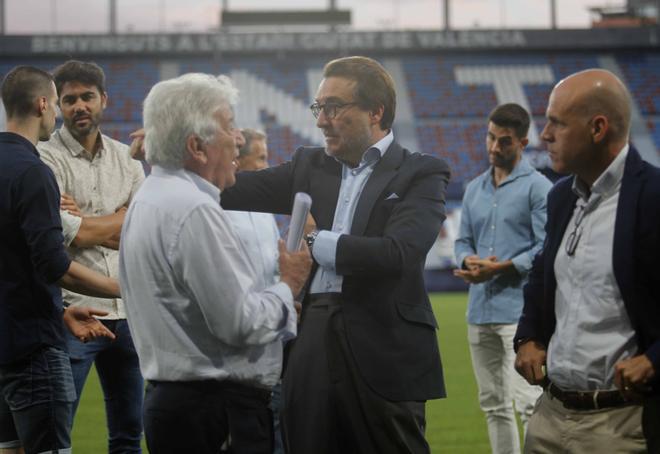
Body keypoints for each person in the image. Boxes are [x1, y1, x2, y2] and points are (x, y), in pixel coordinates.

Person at [221, 55, 451, 454]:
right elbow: (232, 189)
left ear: (375, 111)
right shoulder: (308, 164)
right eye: (318, 108)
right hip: (312, 340)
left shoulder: (422, 172)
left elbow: (399, 253)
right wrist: (171, 157)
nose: (321, 120)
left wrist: (316, 244)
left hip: (385, 345)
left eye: (333, 108)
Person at [118, 73, 312, 454]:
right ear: (197, 146)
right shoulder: (193, 209)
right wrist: (287, 286)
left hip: (178, 404)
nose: (239, 138)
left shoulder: (151, 196)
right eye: (229, 127)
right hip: (216, 412)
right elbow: (239, 323)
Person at [514, 69, 660, 453]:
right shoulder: (562, 197)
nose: (544, 135)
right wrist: (528, 335)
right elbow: (543, 276)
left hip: (619, 424)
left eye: (557, 124)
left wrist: (654, 360)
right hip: (550, 414)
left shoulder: (653, 198)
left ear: (598, 128)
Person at [0, 66, 119, 454]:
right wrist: (122, 288)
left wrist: (60, 312)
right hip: (32, 348)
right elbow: (54, 265)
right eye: (57, 102)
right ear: (43, 104)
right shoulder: (34, 171)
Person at [37, 60, 145, 453]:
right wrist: (116, 219)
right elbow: (58, 233)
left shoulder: (128, 159)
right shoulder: (45, 158)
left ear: (104, 100)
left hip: (128, 315)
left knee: (130, 433)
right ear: (56, 105)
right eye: (70, 99)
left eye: (87, 97)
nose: (79, 105)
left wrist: (82, 223)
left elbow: (139, 233)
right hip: (73, 312)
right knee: (56, 431)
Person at [454, 104, 549, 453]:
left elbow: (546, 247)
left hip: (520, 314)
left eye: (504, 141)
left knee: (529, 405)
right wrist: (468, 259)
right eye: (491, 138)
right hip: (479, 312)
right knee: (493, 406)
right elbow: (462, 240)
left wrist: (504, 266)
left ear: (523, 143)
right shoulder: (474, 189)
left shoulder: (538, 187)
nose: (494, 147)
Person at [223, 128, 286, 454]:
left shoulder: (264, 210)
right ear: (238, 160)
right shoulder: (217, 208)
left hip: (272, 341)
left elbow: (271, 266)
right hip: (236, 350)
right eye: (260, 157)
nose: (267, 165)